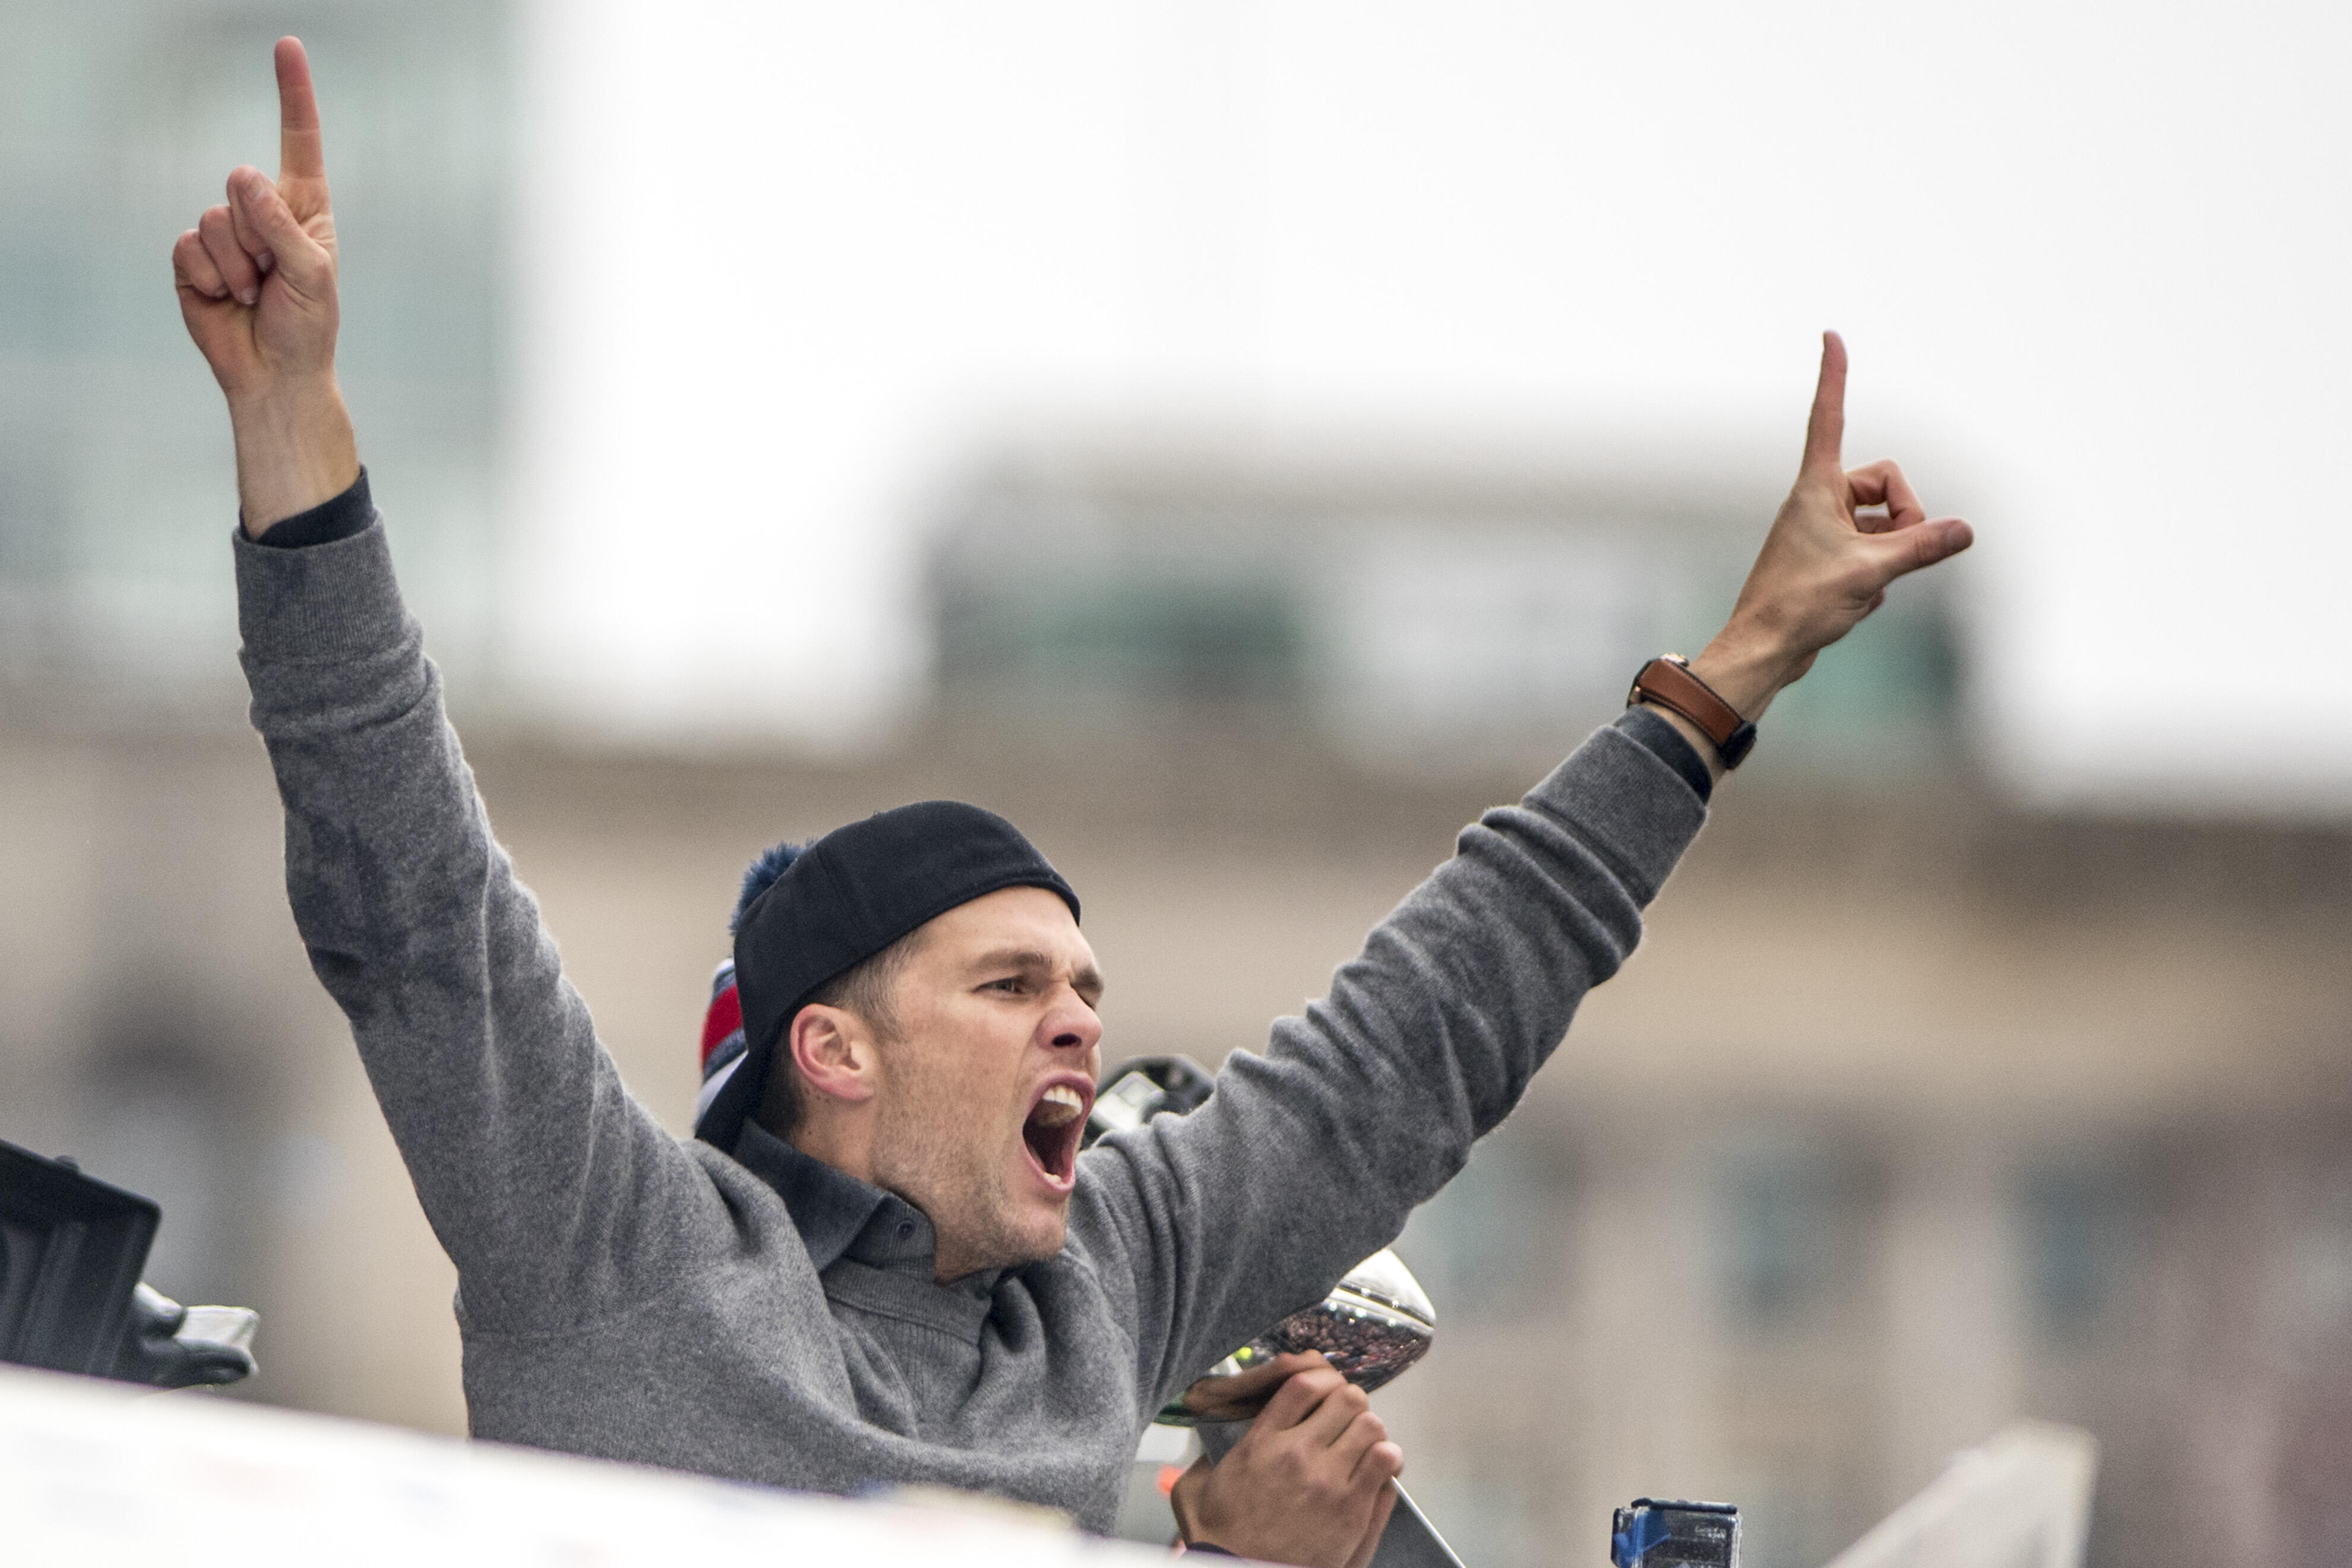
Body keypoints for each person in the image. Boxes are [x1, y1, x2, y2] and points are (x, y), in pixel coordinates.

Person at [171, 36, 1971, 1568]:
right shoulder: (620, 1254)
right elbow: (412, 899)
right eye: (1014, 984)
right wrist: (294, 434)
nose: (1084, 1024)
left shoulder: (1113, 1276)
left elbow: (1420, 1036)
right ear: (837, 1048)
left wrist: (1727, 678)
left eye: (1088, 987)